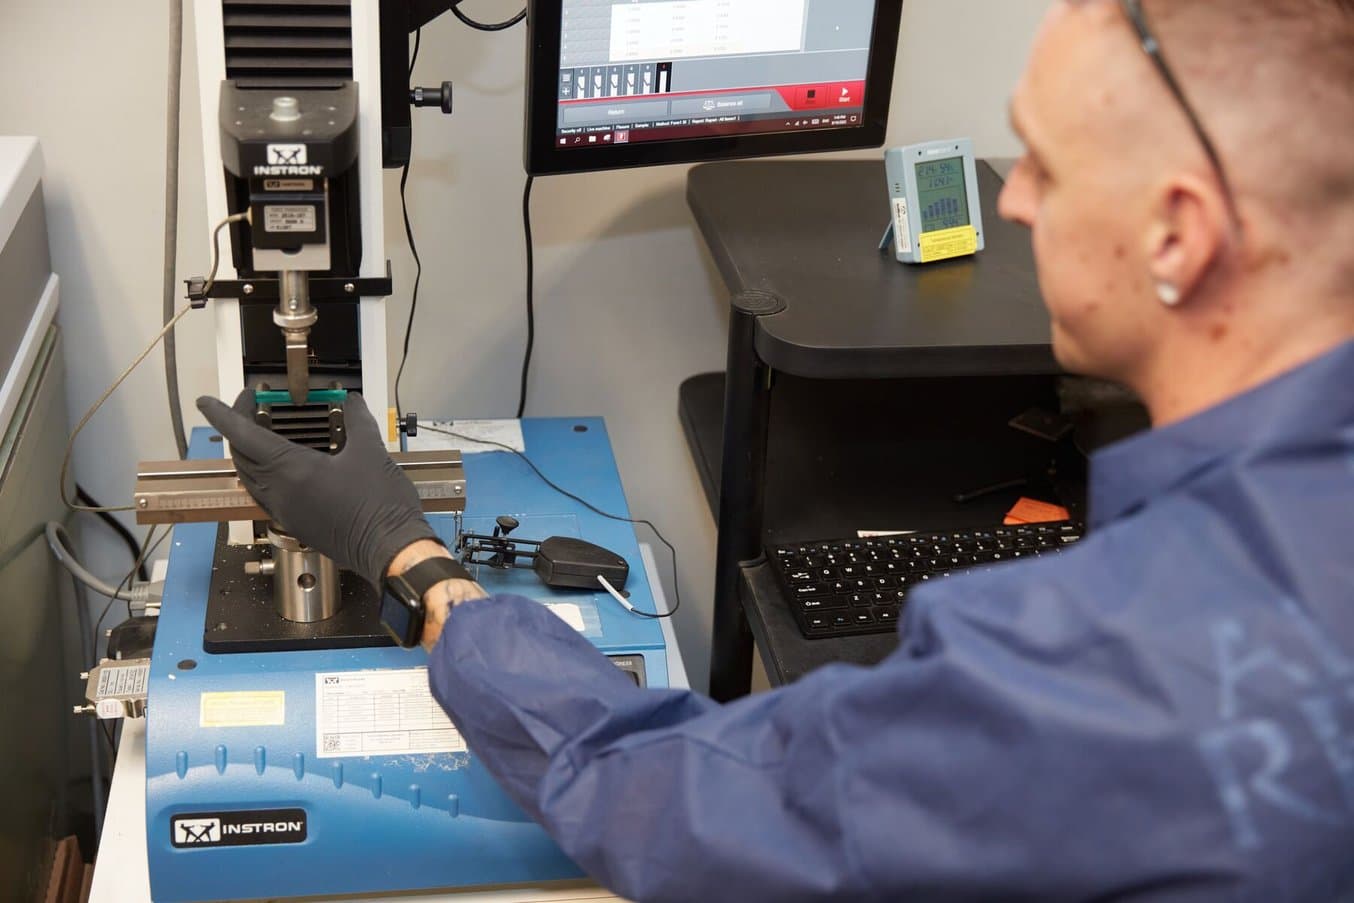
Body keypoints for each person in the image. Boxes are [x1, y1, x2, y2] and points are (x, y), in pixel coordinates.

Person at [197, 0, 1354, 899]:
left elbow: (657, 795)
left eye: (1043, 165)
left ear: (1177, 232)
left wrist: (405, 554)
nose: (1011, 206)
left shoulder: (1091, 663)